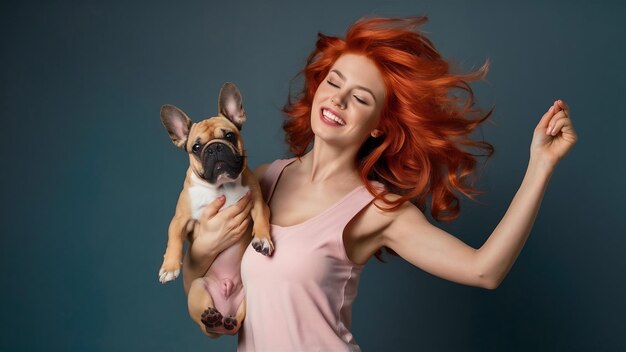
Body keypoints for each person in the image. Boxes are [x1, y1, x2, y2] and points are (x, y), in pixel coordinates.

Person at [182, 16, 577, 351]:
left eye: (361, 98)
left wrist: (540, 166)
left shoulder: (377, 209)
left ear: (378, 127)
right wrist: (200, 259)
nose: (338, 100)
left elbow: (484, 271)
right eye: (334, 82)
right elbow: (206, 287)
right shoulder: (263, 179)